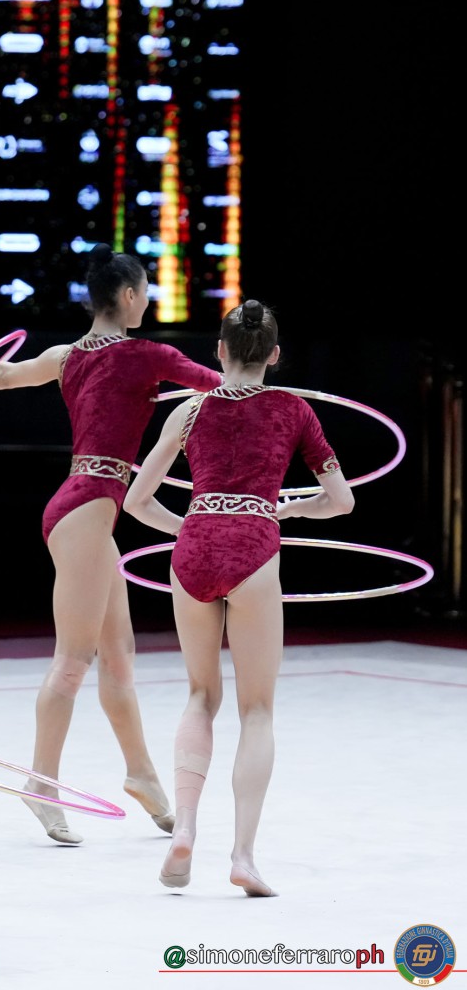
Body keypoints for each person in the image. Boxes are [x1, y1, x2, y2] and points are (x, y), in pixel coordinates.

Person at [0, 244, 222, 844]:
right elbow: (221, 388)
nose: (148, 302)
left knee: (118, 659)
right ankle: (39, 783)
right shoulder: (149, 354)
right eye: (146, 292)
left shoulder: (66, 355)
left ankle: (141, 774)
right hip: (87, 510)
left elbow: (5, 376)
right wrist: (273, 396)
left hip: (85, 509)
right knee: (72, 662)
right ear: (128, 295)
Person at [124, 298, 353, 896]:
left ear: (219, 351)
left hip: (194, 550)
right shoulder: (294, 409)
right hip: (254, 546)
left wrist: (192, 525)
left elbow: (137, 501)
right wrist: (288, 509)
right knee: (257, 710)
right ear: (274, 355)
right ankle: (243, 856)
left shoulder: (189, 410)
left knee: (201, 696)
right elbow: (341, 501)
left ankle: (184, 829)